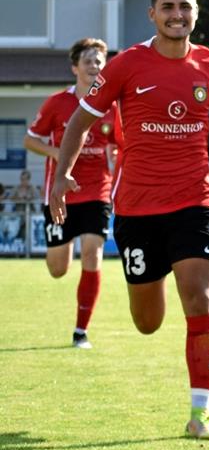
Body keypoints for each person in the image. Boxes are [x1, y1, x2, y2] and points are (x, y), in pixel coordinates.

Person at [49, 0, 209, 440]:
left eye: (185, 7)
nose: (177, 15)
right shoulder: (127, 65)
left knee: (199, 296)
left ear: (195, 13)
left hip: (194, 201)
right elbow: (81, 119)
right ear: (153, 14)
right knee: (147, 322)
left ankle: (200, 414)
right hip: (137, 210)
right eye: (168, 7)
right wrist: (62, 174)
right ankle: (152, 284)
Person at [24, 37, 117, 349]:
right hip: (60, 195)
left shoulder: (112, 106)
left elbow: (119, 144)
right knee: (57, 269)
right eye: (88, 60)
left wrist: (117, 158)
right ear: (75, 67)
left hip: (97, 193)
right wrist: (59, 155)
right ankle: (64, 253)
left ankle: (81, 332)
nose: (94, 65)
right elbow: (30, 139)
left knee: (93, 253)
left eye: (99, 61)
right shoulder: (57, 103)